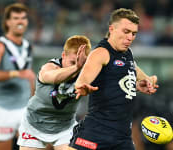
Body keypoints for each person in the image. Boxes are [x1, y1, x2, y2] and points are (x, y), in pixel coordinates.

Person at [68, 8, 158, 150]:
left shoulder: (126, 53)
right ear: (112, 29)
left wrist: (145, 80)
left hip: (122, 136)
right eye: (126, 32)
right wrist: (82, 87)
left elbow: (132, 68)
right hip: (96, 131)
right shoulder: (101, 53)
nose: (130, 37)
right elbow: (82, 81)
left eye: (134, 33)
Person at [17, 35, 91, 150]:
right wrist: (76, 67)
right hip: (34, 126)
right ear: (63, 55)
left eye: (82, 63)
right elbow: (52, 77)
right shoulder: (49, 68)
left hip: (65, 128)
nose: (78, 69)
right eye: (73, 62)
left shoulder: (86, 74)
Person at [0, 3, 36, 150]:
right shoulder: (0, 45)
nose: (20, 21)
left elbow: (29, 76)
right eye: (16, 18)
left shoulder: (28, 46)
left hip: (25, 108)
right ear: (7, 22)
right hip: (3, 108)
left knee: (37, 145)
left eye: (23, 18)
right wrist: (16, 73)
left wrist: (33, 102)